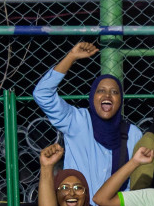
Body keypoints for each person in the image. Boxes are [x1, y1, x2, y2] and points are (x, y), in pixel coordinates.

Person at [32, 42, 140, 190]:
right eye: (101, 91)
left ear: (120, 100)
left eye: (114, 92)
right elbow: (42, 94)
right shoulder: (77, 121)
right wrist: (71, 57)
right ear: (92, 97)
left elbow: (136, 181)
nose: (107, 95)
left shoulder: (132, 134)